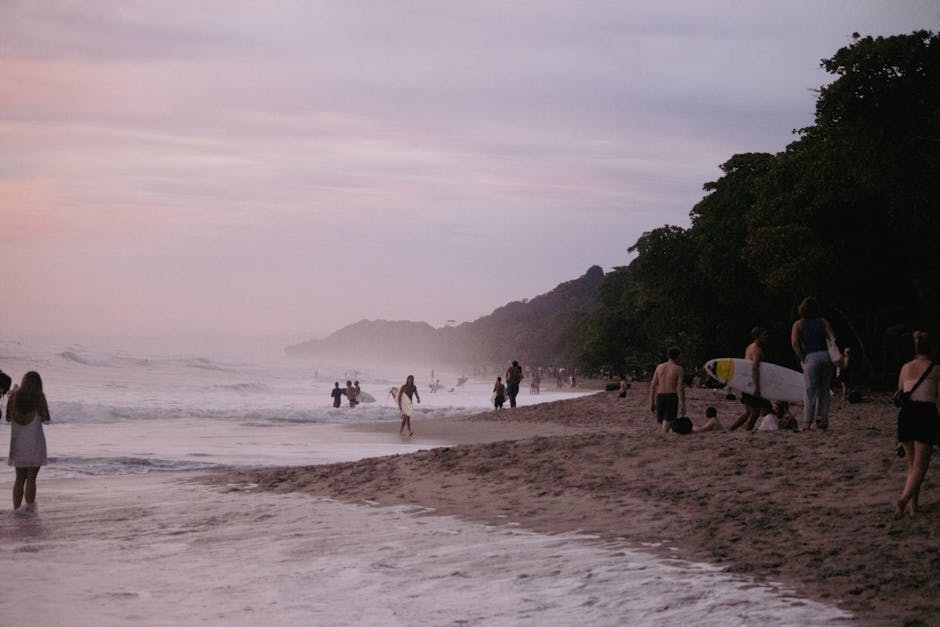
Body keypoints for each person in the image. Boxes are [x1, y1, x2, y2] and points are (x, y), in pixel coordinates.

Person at [895, 331, 939, 518]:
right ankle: (904, 499)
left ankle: (914, 508)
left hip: (906, 416)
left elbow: (900, 389)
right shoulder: (936, 369)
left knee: (912, 465)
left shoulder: (905, 368)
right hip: (925, 415)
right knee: (921, 466)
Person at [6, 371, 50, 515]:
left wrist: (13, 392)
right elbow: (46, 419)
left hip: (18, 443)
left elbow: (7, 418)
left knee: (19, 478)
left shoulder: (13, 396)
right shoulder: (39, 397)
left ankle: (16, 510)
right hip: (34, 443)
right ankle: (29, 510)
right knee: (31, 478)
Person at [791, 297, 837, 430]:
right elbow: (832, 337)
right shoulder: (823, 321)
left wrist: (801, 357)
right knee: (824, 390)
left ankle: (807, 422)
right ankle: (823, 421)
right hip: (825, 356)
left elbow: (794, 342)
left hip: (810, 357)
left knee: (810, 391)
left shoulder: (798, 324)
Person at [729, 327, 772, 431]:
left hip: (745, 383)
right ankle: (746, 432)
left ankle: (731, 429)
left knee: (748, 412)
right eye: (764, 334)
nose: (766, 337)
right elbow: (755, 369)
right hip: (751, 383)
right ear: (758, 336)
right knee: (755, 413)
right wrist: (757, 387)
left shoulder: (749, 347)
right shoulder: (758, 350)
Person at [649, 346, 686, 434]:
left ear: (667, 355)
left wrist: (651, 402)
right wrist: (683, 404)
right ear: (678, 356)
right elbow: (680, 388)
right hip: (671, 396)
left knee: (663, 421)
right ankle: (662, 440)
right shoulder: (678, 369)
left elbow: (653, 385)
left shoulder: (659, 367)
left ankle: (664, 438)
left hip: (660, 396)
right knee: (668, 420)